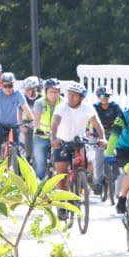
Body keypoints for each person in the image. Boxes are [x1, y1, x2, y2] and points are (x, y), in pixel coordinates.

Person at [50, 84, 105, 217]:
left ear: (81, 97)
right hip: (62, 143)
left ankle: (84, 180)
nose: (70, 97)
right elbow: (55, 123)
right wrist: (54, 139)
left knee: (89, 162)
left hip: (79, 142)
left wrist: (102, 139)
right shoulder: (61, 107)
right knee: (61, 175)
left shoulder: (87, 107)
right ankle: (62, 205)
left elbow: (96, 123)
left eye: (74, 94)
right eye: (69, 93)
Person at [0, 72, 32, 161]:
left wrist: (31, 120)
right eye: (5, 86)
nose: (8, 88)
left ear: (13, 84)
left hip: (13, 124)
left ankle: (18, 172)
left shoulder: (18, 94)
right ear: (1, 84)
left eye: (10, 86)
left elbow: (26, 108)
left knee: (17, 148)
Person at [92, 86, 123, 195]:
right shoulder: (94, 107)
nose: (105, 98)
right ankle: (97, 182)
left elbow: (122, 120)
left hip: (112, 134)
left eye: (107, 96)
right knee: (98, 156)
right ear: (98, 97)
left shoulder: (115, 107)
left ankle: (116, 176)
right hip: (98, 135)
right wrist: (88, 130)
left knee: (117, 153)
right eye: (102, 96)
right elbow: (89, 120)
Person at [30, 78, 62, 178]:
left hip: (58, 136)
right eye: (51, 92)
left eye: (56, 92)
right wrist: (42, 132)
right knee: (40, 166)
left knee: (62, 163)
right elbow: (36, 123)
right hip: (41, 136)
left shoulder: (64, 103)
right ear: (46, 91)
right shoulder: (39, 103)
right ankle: (38, 190)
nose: (54, 94)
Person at [19, 76, 42, 169]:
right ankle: (28, 157)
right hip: (27, 122)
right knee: (28, 132)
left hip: (40, 122)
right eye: (26, 90)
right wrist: (21, 125)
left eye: (30, 90)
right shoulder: (23, 99)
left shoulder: (41, 98)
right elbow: (19, 112)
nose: (28, 92)